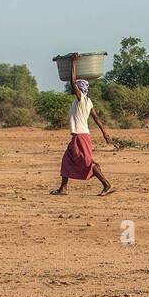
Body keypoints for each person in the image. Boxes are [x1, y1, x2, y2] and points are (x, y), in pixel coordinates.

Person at [52, 54, 114, 196]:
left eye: (74, 88)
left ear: (78, 89)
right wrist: (105, 134)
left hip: (80, 136)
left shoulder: (81, 100)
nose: (71, 88)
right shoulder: (87, 101)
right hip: (78, 136)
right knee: (66, 160)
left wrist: (73, 63)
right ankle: (63, 188)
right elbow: (96, 118)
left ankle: (107, 184)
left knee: (87, 163)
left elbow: (72, 81)